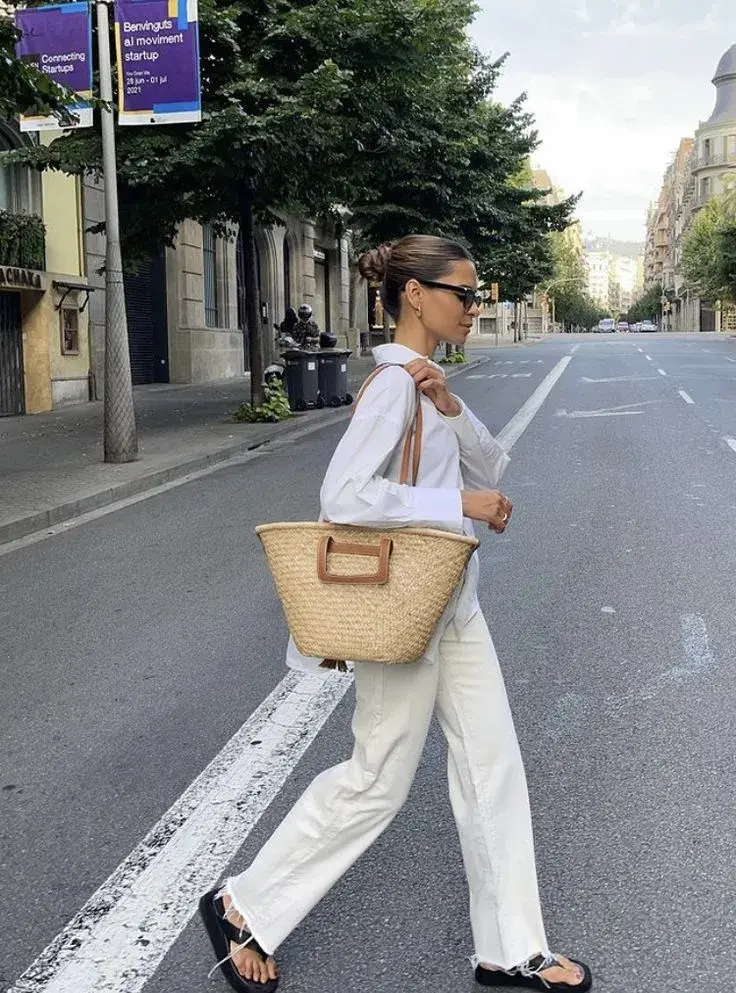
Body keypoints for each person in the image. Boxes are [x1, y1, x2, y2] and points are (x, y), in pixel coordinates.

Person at [198, 234, 593, 993]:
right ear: (416, 294)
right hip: (402, 612)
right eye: (463, 294)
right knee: (378, 778)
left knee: (493, 766)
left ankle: (509, 949)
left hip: (453, 603)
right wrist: (458, 505)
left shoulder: (426, 382)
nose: (475, 308)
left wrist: (449, 404)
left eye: (477, 296)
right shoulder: (387, 387)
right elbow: (343, 498)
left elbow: (492, 465)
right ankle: (243, 902)